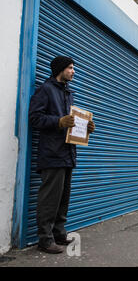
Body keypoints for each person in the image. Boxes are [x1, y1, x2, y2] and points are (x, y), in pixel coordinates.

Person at [29, 56, 96, 254]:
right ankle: (45, 239)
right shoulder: (46, 90)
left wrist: (86, 128)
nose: (73, 71)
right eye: (70, 68)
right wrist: (59, 122)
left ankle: (59, 233)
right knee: (49, 199)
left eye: (73, 67)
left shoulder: (68, 93)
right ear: (60, 69)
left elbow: (70, 123)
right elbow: (35, 118)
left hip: (67, 153)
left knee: (63, 198)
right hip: (52, 154)